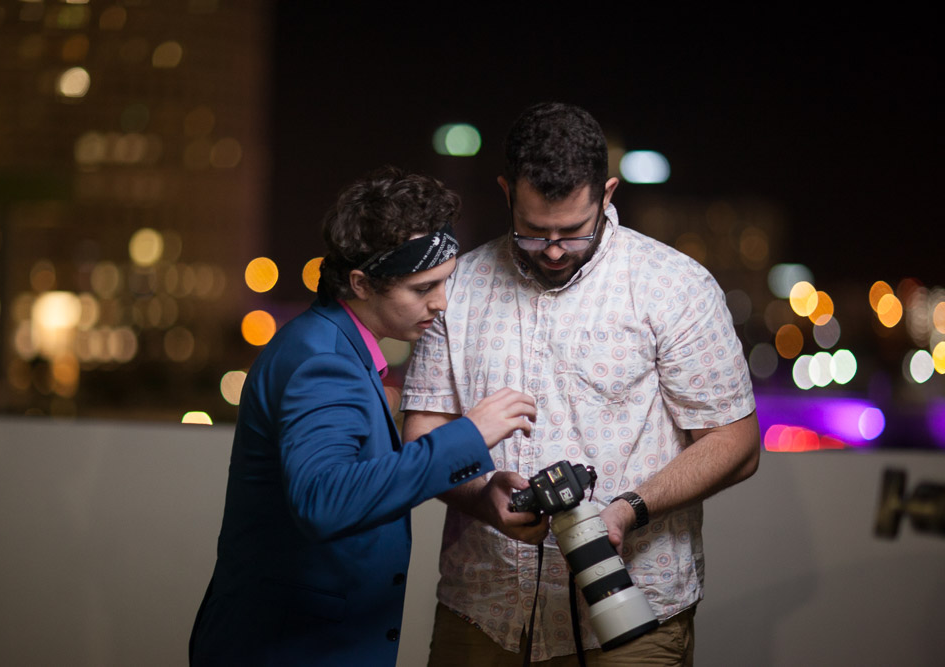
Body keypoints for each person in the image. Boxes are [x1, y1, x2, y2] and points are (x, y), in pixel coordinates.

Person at [402, 103, 760, 666]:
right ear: (505, 191)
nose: (550, 249)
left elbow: (736, 442)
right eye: (533, 230)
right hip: (485, 607)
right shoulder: (456, 287)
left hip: (636, 614)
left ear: (608, 193)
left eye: (571, 232)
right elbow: (422, 431)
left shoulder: (675, 286)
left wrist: (627, 510)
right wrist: (483, 497)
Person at [189, 167, 537, 666]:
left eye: (446, 283)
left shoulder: (334, 345)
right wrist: (468, 436)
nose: (441, 304)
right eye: (423, 289)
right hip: (290, 648)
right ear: (361, 283)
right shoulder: (323, 361)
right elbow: (324, 500)